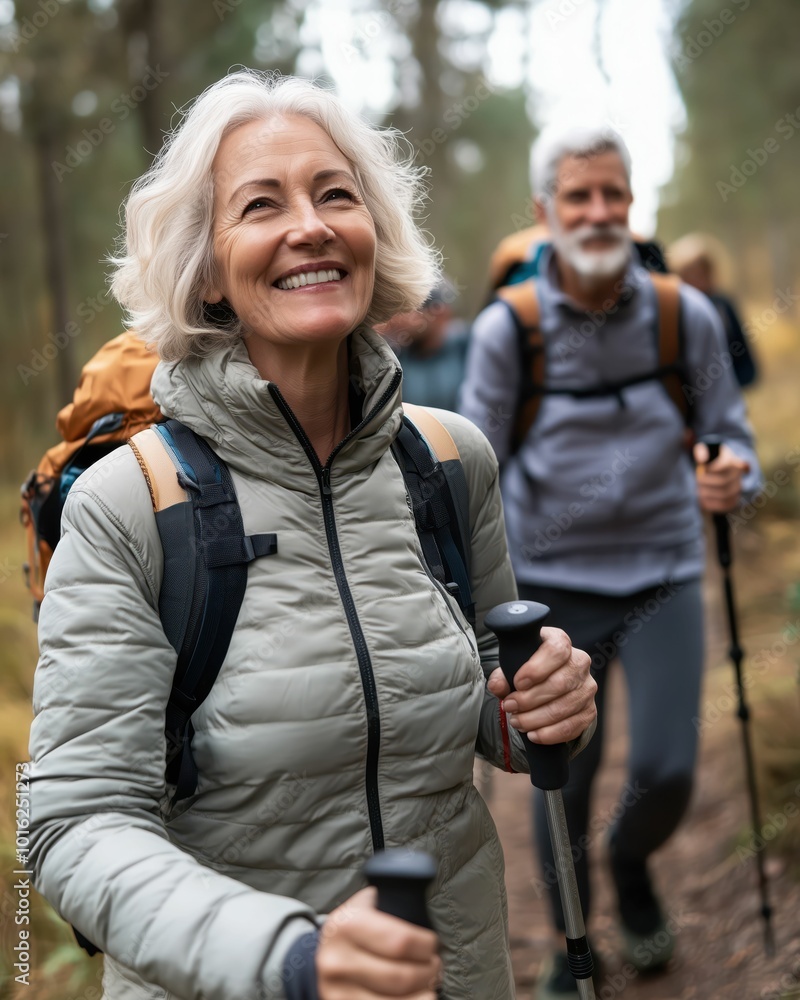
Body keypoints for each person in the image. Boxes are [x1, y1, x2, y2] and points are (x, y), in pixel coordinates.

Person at [26, 72, 597, 1000]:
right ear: (205, 266)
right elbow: (75, 824)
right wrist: (293, 959)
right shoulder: (131, 507)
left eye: (337, 194)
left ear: (376, 231)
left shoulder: (450, 463)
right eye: (261, 205)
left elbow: (496, 697)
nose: (312, 225)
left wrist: (544, 707)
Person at [460, 125, 760, 999]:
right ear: (543, 210)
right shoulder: (506, 330)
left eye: (613, 195)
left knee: (667, 768)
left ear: (633, 204)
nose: (598, 213)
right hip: (548, 591)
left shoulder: (682, 315)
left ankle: (632, 867)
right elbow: (479, 470)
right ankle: (572, 941)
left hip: (664, 572)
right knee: (562, 789)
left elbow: (732, 441)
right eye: (579, 196)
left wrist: (733, 478)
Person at [668, 231, 759, 388]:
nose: (697, 279)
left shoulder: (723, 305)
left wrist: (736, 384)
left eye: (701, 272)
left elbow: (742, 351)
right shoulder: (673, 310)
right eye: (691, 274)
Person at [378, 277, 469, 411]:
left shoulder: (467, 348)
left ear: (440, 312)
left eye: (410, 309)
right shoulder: (393, 356)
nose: (398, 317)